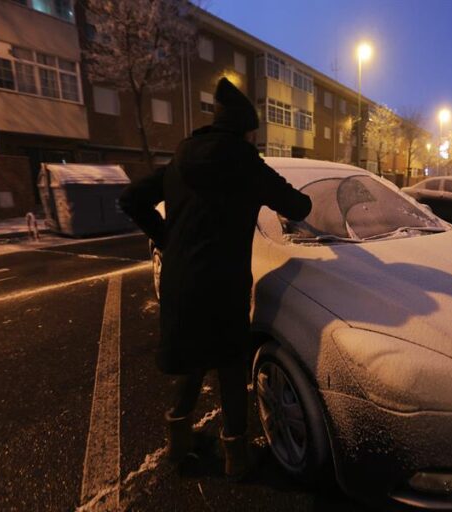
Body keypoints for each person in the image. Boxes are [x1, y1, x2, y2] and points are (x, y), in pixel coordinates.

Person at [119, 77, 311, 479]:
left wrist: (166, 236)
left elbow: (130, 197)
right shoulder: (246, 163)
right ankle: (235, 460)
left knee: (192, 360)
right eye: (254, 131)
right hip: (224, 286)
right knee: (228, 366)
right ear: (245, 129)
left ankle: (178, 442)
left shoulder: (181, 157)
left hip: (181, 284)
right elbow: (299, 205)